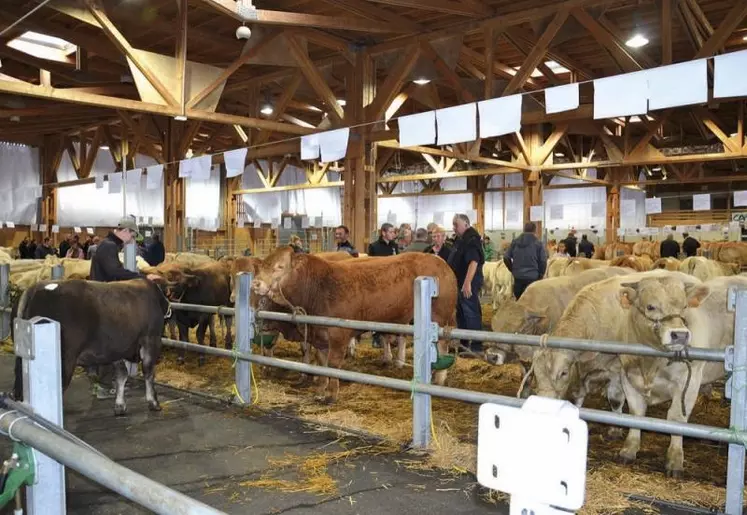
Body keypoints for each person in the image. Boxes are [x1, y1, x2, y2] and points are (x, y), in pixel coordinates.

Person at [88, 218, 161, 399]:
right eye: (133, 235)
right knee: (107, 343)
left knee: (106, 342)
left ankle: (106, 382)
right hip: (104, 300)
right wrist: (140, 278)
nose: (132, 240)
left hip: (102, 297)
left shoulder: (108, 245)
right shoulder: (109, 246)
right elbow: (114, 272)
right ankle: (103, 385)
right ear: (126, 231)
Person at [447, 214, 485, 355]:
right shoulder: (462, 238)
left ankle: (476, 346)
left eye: (456, 225)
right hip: (461, 281)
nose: (454, 228)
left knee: (471, 312)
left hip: (467, 282)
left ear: (466, 224)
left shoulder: (471, 239)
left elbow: (473, 261)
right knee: (462, 313)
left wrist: (467, 282)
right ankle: (464, 343)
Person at [367, 223, 399, 348]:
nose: (393, 234)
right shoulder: (374, 246)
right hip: (379, 284)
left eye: (393, 232)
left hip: (392, 284)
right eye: (390, 232)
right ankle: (376, 337)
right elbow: (370, 266)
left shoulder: (394, 246)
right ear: (383, 233)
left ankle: (391, 337)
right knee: (378, 311)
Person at [503, 222, 548, 300]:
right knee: (531, 302)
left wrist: (512, 269)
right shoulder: (538, 243)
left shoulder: (515, 242)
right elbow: (543, 261)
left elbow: (506, 257)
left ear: (524, 230)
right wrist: (540, 275)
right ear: (535, 230)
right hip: (533, 277)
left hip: (518, 277)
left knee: (519, 301)